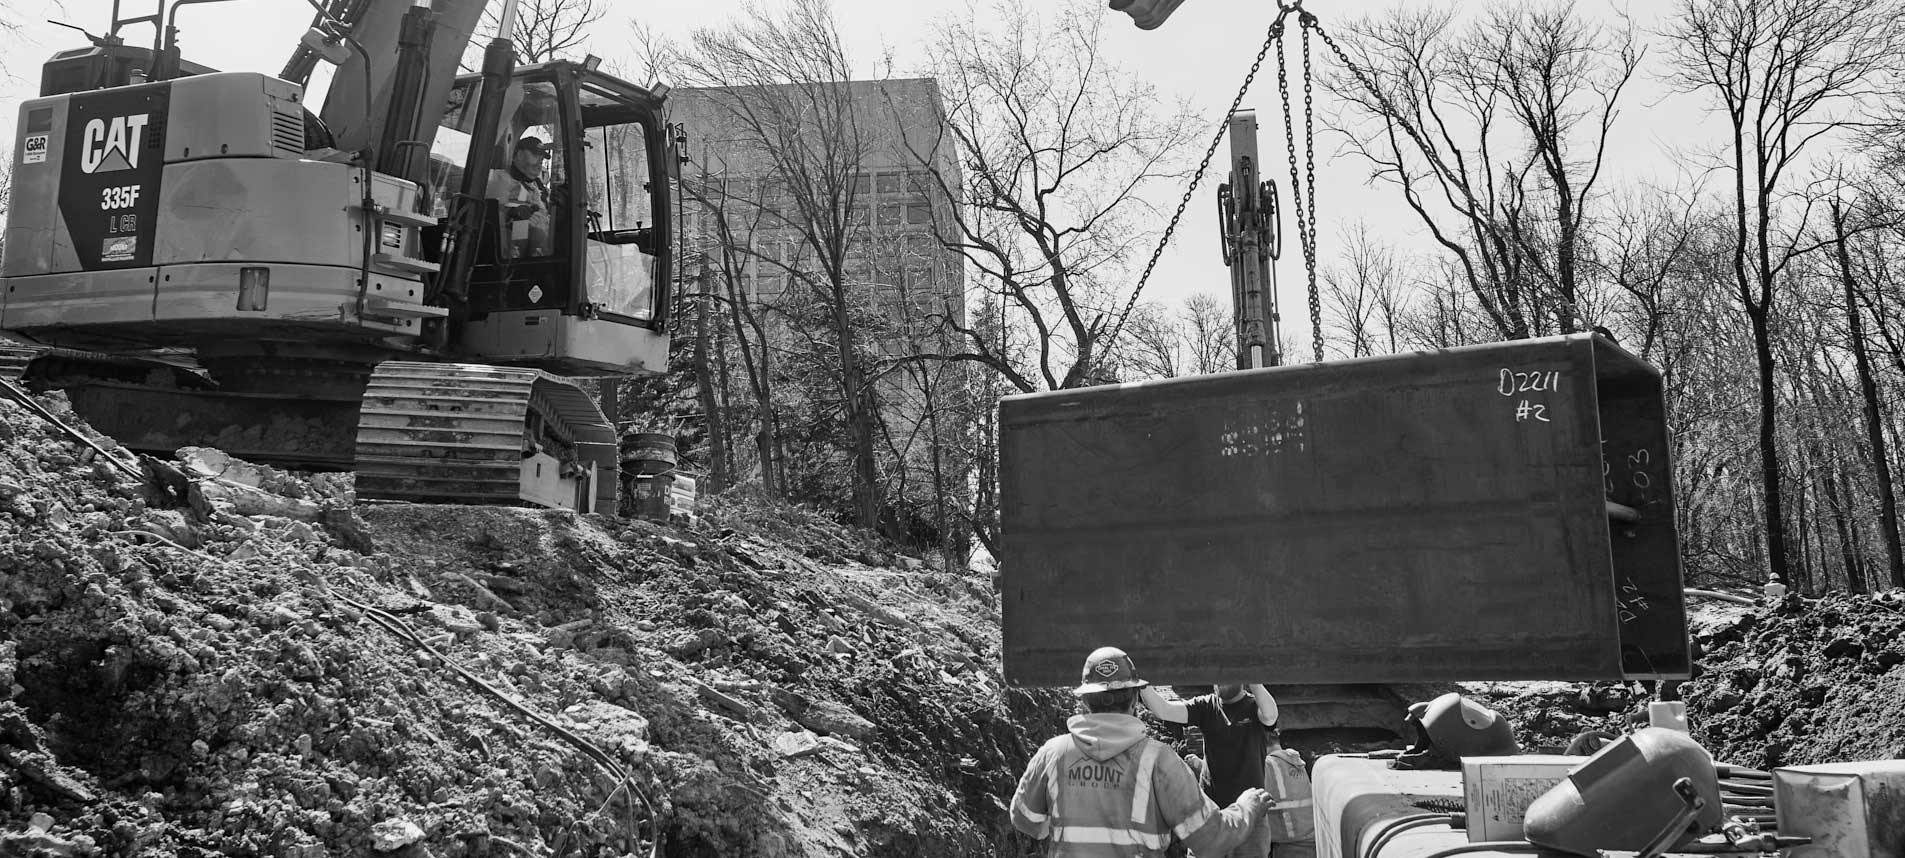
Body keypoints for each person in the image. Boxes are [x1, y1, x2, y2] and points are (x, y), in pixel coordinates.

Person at [1012, 647, 1271, 857]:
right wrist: (1246, 808)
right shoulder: (1159, 761)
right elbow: (1210, 839)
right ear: (1135, 699)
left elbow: (1025, 820)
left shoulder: (1053, 754)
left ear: (1085, 701)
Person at [1140, 683, 1279, 857]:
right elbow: (1163, 710)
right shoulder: (1206, 706)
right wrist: (1141, 682)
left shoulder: (1255, 706)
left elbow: (1270, 716)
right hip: (1210, 816)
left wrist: (1253, 679)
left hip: (1252, 816)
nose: (1220, 681)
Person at [487, 135, 555, 258]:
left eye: (541, 159)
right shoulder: (502, 181)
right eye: (535, 156)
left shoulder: (536, 185)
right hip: (521, 258)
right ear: (519, 155)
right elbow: (502, 223)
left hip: (545, 252)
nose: (539, 164)